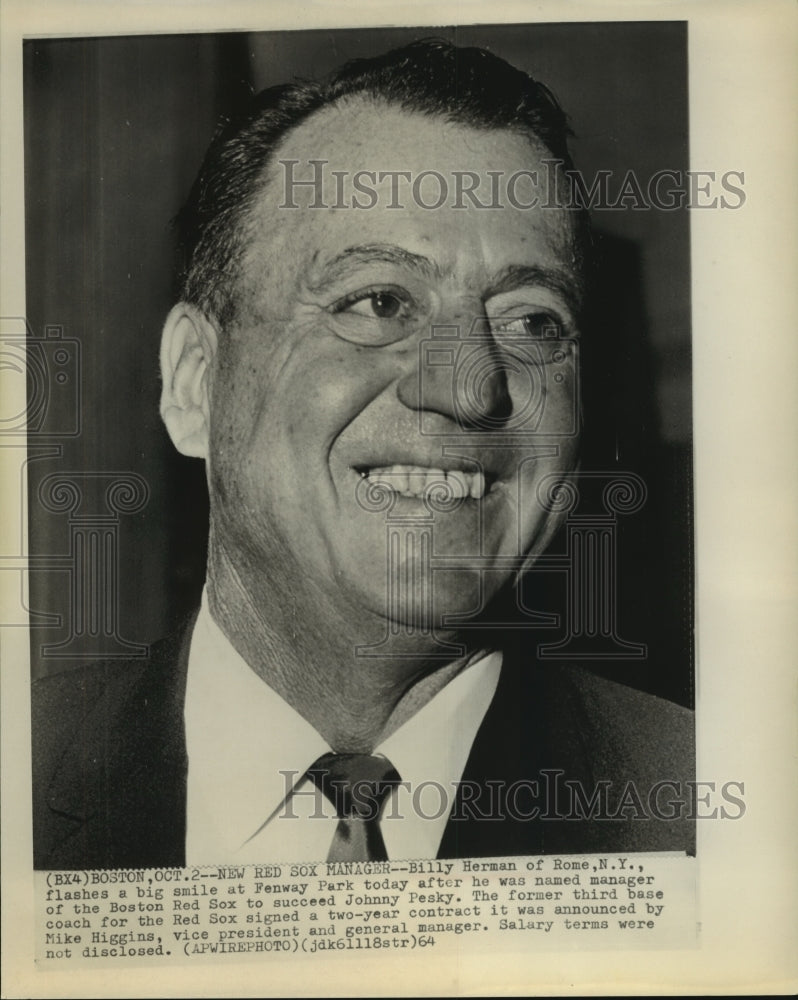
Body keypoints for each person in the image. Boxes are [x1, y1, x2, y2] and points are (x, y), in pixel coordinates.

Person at [32, 38, 694, 871]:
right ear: (195, 383)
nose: (470, 388)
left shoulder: (715, 817)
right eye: (380, 302)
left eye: (531, 321)